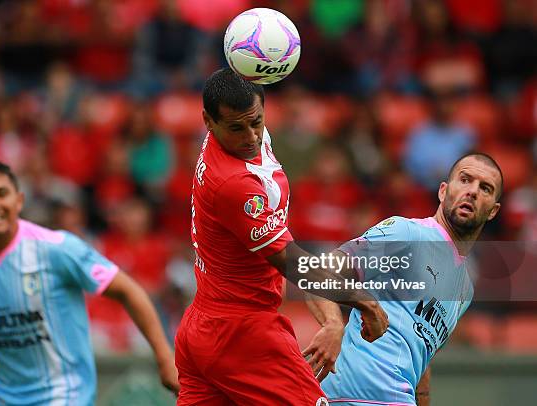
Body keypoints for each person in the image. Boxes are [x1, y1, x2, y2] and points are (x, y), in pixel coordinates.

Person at [175, 68, 389, 405]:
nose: (250, 137)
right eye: (236, 128)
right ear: (208, 122)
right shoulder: (234, 185)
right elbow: (294, 264)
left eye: (256, 122)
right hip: (241, 331)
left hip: (205, 324)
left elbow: (244, 95)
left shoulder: (239, 127)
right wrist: (365, 303)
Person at [0, 160, 179, 405]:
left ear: (18, 201)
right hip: (2, 397)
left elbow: (128, 290)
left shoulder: (57, 249)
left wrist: (165, 357)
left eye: (1, 194)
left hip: (67, 394)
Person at [321, 152, 503, 405]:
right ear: (443, 191)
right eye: (465, 180)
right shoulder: (406, 233)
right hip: (349, 394)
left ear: (493, 211)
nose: (472, 191)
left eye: (485, 188)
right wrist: (333, 323)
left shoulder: (465, 289)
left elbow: (420, 352)